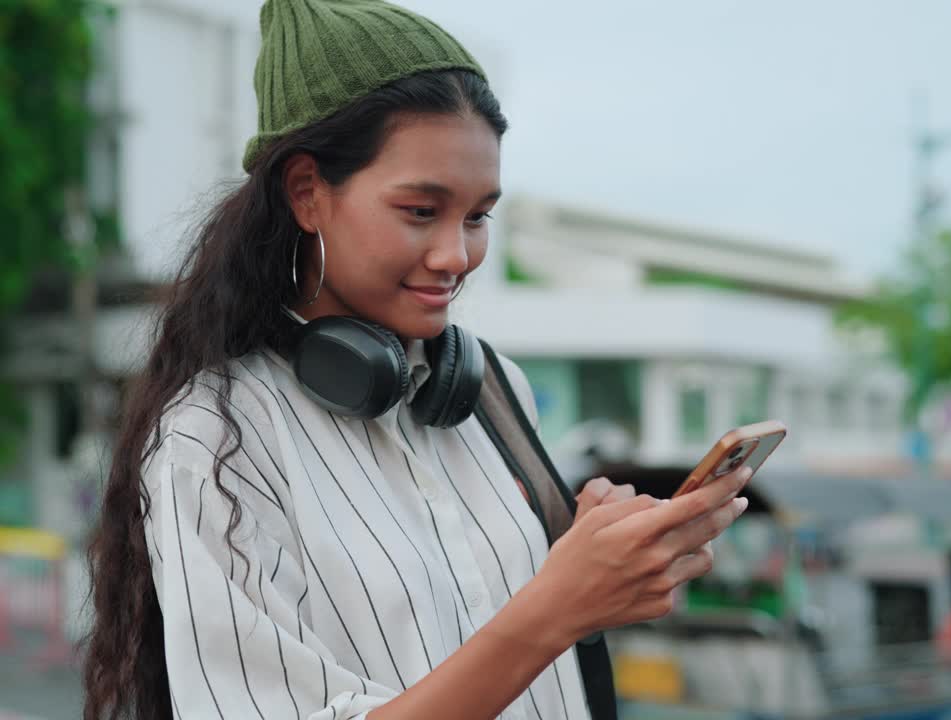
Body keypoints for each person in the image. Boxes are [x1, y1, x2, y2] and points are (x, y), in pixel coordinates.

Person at [80, 1, 752, 718]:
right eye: (420, 211)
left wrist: (595, 561)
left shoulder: (493, 391)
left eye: (478, 215)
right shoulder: (217, 438)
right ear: (308, 193)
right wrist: (554, 609)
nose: (456, 255)